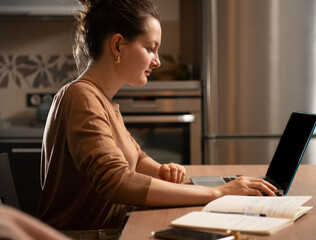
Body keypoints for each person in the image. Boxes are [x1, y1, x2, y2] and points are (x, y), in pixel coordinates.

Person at [38, 0, 277, 239]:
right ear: (118, 45)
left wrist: (159, 171)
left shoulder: (100, 99)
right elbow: (116, 181)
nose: (157, 61)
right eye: (151, 48)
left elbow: (136, 157)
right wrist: (217, 193)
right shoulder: (83, 97)